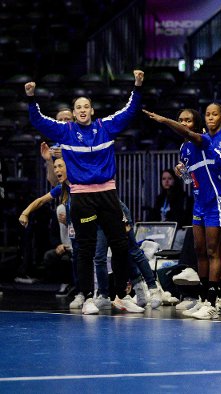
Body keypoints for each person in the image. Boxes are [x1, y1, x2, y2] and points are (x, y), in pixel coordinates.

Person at [25, 69, 145, 315]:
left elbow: (130, 110)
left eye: (86, 106)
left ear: (92, 111)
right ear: (75, 111)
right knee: (85, 248)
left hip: (108, 195)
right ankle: (88, 296)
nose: (82, 110)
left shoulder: (106, 127)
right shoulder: (65, 131)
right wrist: (31, 97)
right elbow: (39, 120)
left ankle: (123, 295)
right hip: (82, 197)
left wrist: (138, 85)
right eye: (78, 106)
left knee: (121, 245)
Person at [144, 107, 221, 319]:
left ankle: (214, 302)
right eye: (180, 120)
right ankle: (203, 298)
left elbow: (186, 134)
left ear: (195, 124)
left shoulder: (202, 139)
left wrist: (164, 119)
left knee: (214, 252)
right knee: (200, 251)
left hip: (216, 202)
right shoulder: (184, 148)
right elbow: (189, 181)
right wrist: (182, 173)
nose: (184, 123)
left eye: (188, 120)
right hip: (199, 205)